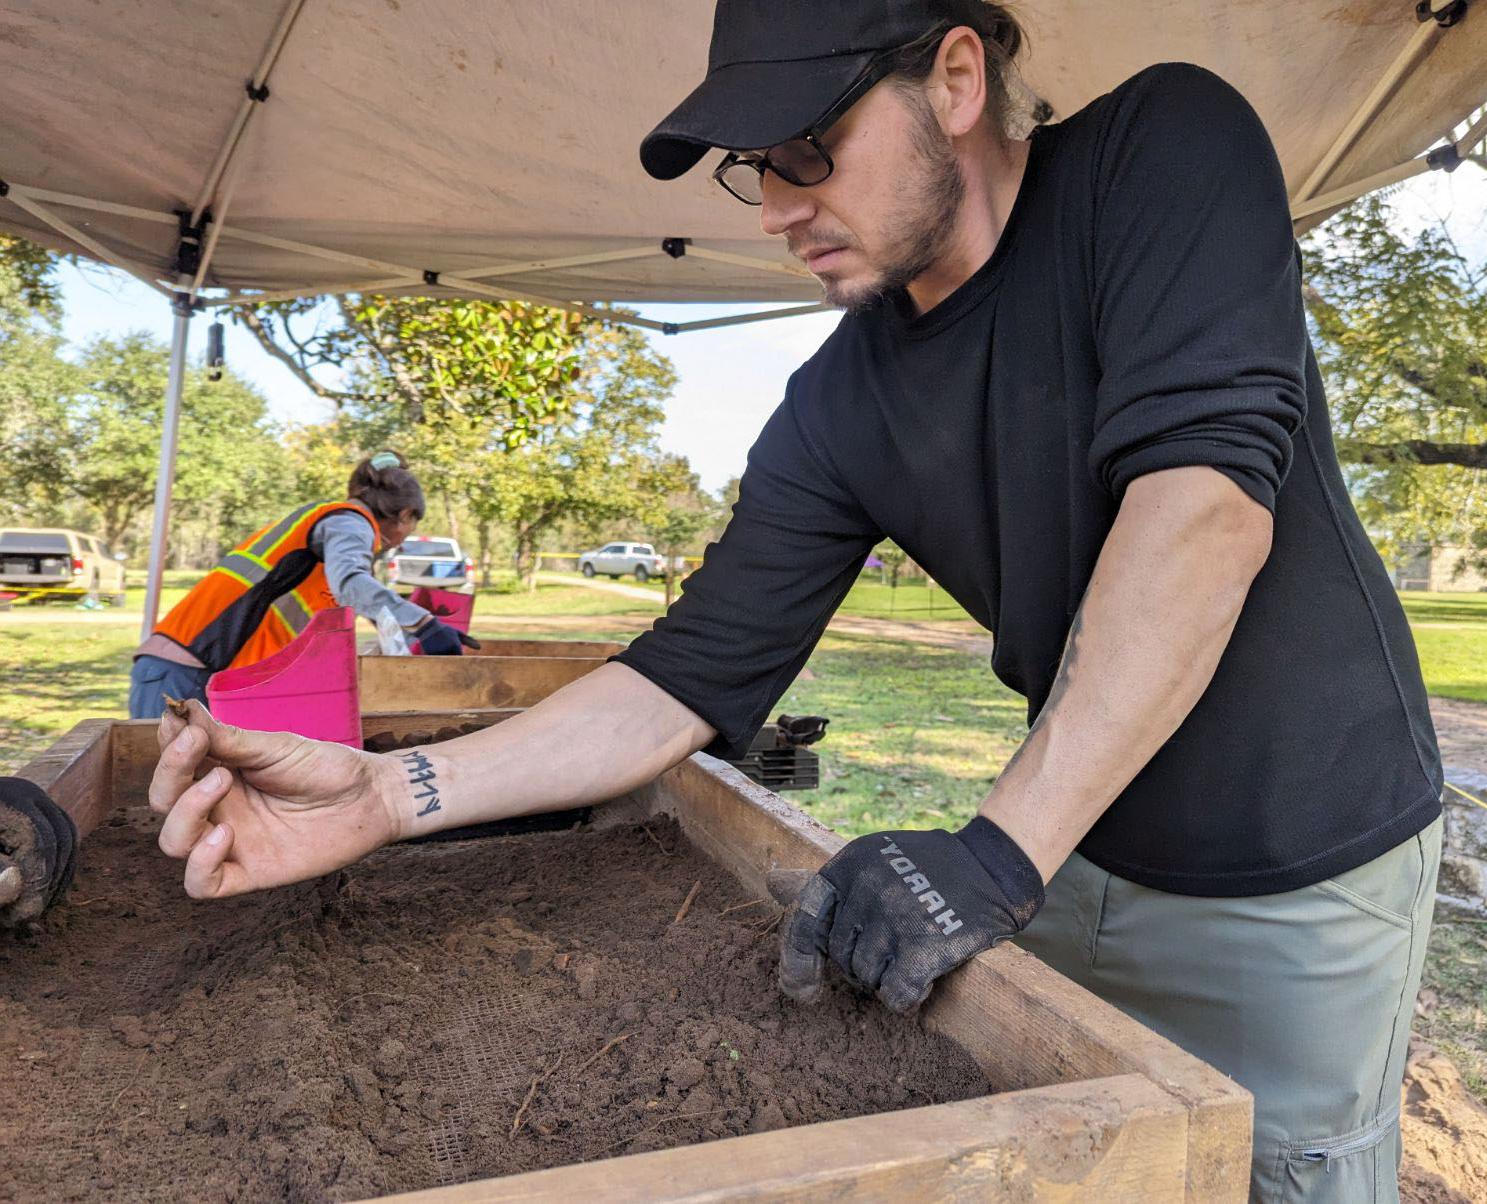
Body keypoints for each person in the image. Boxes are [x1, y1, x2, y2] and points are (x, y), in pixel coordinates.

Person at [147, 3, 1442, 1198]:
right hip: (1076, 838)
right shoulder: (837, 402)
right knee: (1100, 1164)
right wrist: (385, 797)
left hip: (1299, 855)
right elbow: (683, 674)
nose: (772, 206)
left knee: (1276, 1175)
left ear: (951, 77)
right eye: (750, 167)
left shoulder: (1160, 149)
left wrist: (992, 854)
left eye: (806, 151)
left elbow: (1202, 506)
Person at [129, 450, 470, 718]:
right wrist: (424, 624)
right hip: (183, 671)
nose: (406, 536)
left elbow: (353, 596)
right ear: (406, 514)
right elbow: (352, 585)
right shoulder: (351, 523)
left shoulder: (333, 530)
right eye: (412, 525)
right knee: (165, 795)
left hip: (199, 669)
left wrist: (413, 630)